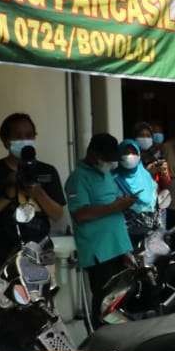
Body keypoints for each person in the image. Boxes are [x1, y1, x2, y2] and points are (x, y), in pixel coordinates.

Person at [0, 113, 66, 271]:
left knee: (42, 295)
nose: (24, 140)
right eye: (17, 136)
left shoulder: (47, 171)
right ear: (5, 140)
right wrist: (9, 194)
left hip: (40, 251)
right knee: (8, 295)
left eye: (29, 135)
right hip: (2, 253)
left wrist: (37, 193)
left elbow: (57, 214)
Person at [66, 134, 136, 318]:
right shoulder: (78, 179)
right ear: (94, 154)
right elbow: (80, 214)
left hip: (117, 246)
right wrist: (115, 207)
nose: (109, 163)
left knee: (120, 302)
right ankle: (101, 341)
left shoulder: (105, 174)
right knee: (104, 303)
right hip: (99, 252)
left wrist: (125, 251)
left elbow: (110, 205)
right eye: (106, 159)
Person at [113, 139, 160, 244]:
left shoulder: (147, 177)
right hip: (121, 235)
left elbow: (155, 204)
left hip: (147, 234)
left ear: (139, 155)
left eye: (133, 152)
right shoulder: (112, 179)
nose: (130, 155)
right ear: (119, 155)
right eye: (125, 152)